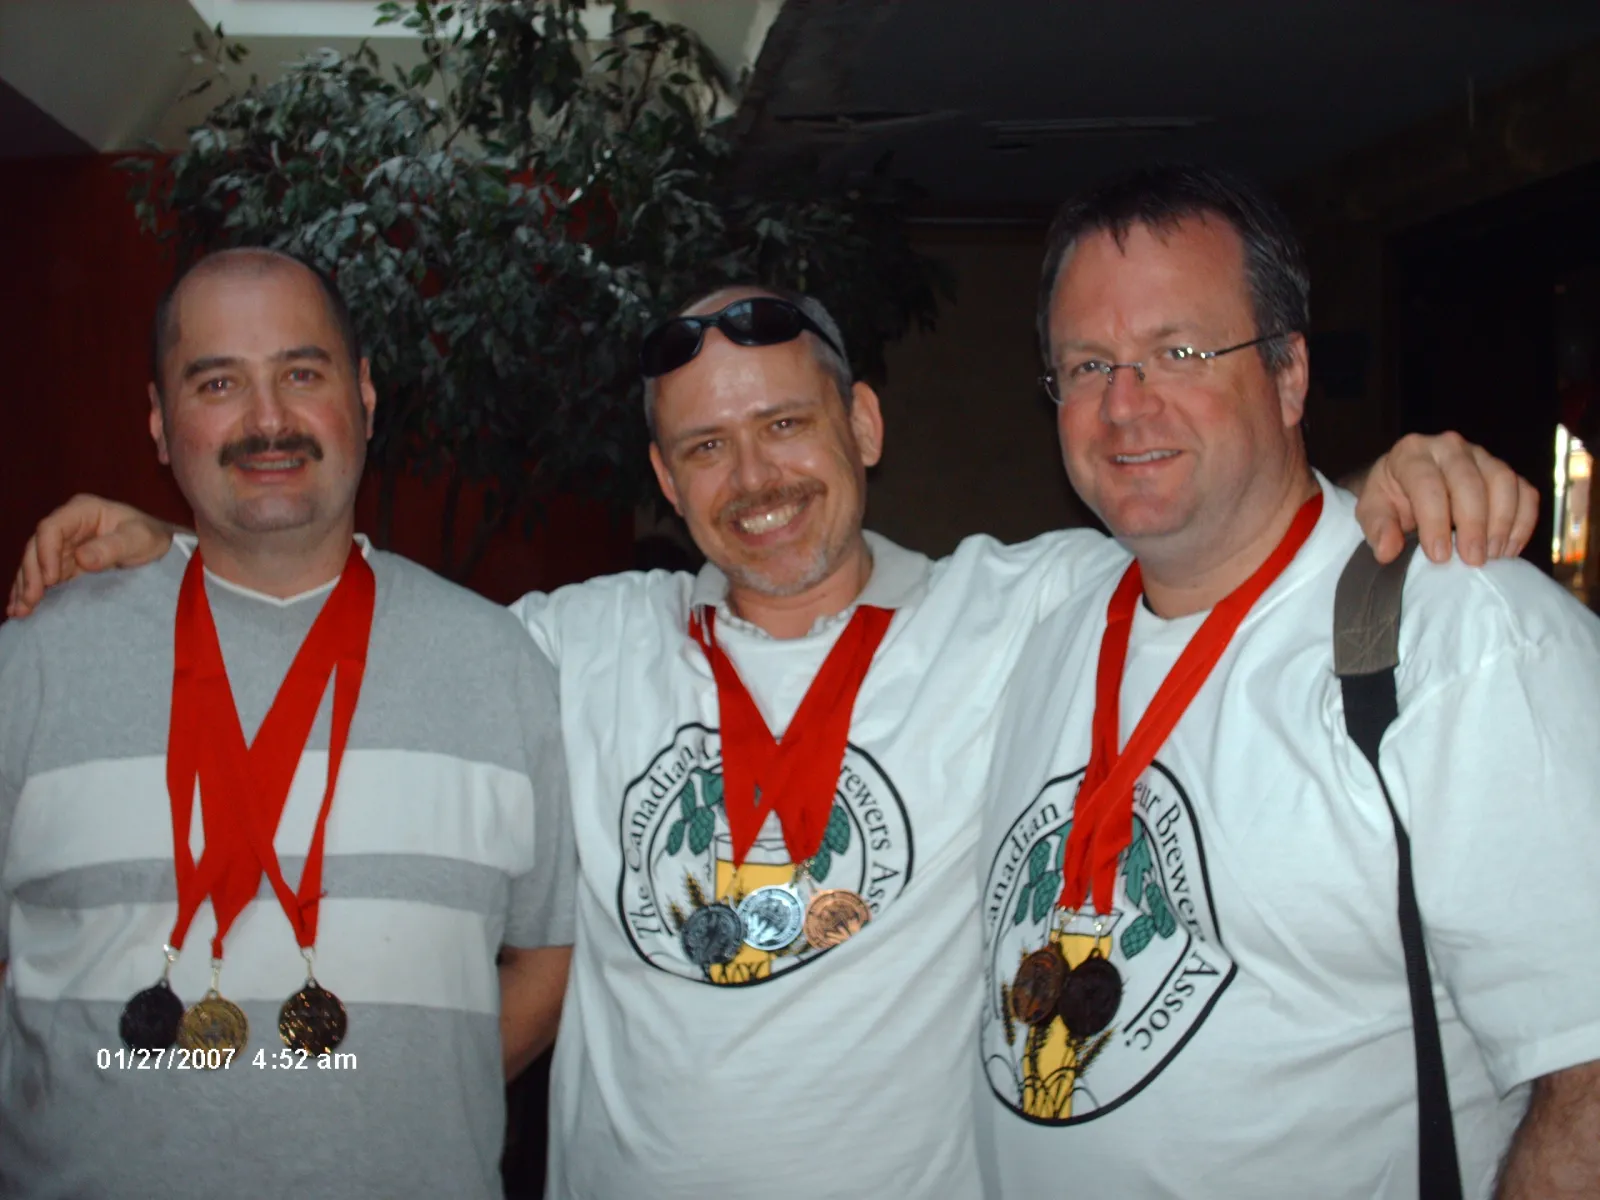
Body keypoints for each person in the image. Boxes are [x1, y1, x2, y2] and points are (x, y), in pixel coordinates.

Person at [3, 279, 1536, 1198]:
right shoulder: (571, 647)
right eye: (707, 448)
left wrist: (1397, 483)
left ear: (863, 426)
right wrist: (179, 548)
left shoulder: (1023, 609)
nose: (757, 480)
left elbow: (1219, 526)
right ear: (668, 484)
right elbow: (357, 615)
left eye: (789, 425)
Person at [974, 164, 1600, 1198]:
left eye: (1178, 352)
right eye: (1087, 366)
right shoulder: (1043, 620)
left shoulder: (1463, 639)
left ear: (1290, 373)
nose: (1124, 406)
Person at [0, 249, 575, 1199]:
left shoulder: (500, 664)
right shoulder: (34, 665)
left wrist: (400, 1104)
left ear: (365, 399)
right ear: (160, 422)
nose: (267, 420)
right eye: (218, 383)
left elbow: (547, 964)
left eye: (301, 374)